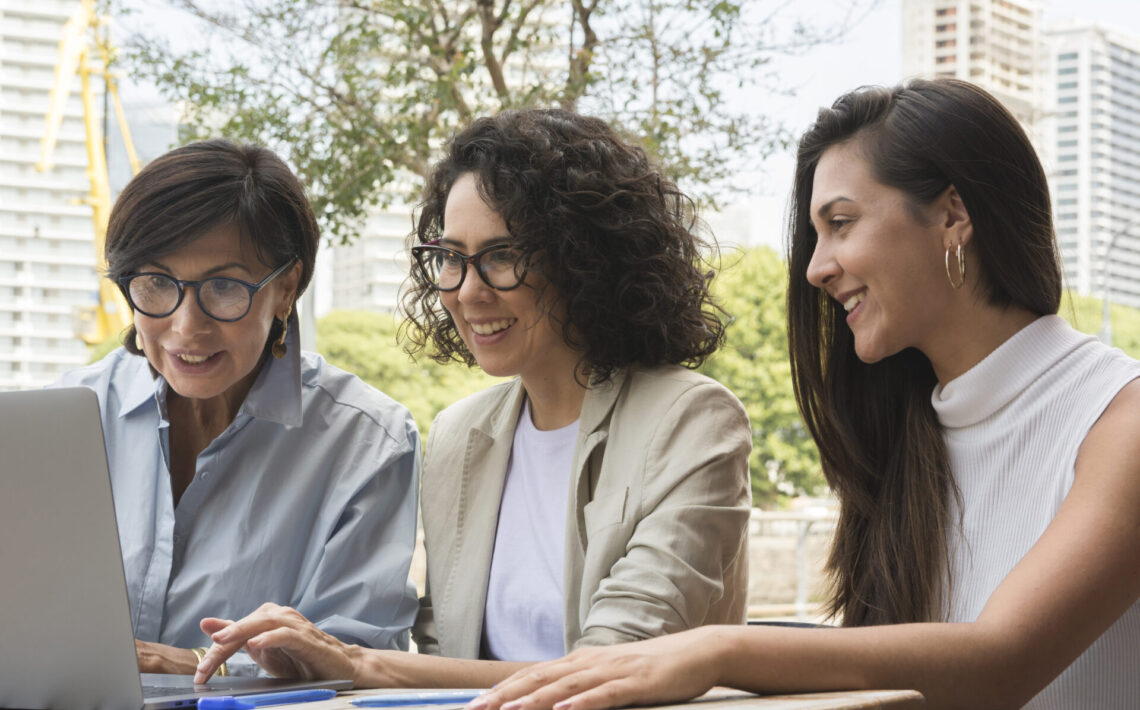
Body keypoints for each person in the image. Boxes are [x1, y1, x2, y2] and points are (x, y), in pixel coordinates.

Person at [460, 79, 1140, 710]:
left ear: (952, 216)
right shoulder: (903, 437)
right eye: (816, 234)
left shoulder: (1118, 419)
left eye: (840, 223)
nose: (816, 268)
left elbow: (1003, 661)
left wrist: (717, 648)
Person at [193, 108, 753, 687]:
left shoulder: (690, 420)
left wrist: (359, 663)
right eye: (452, 258)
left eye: (504, 255)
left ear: (586, 258)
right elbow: (444, 648)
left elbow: (614, 668)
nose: (468, 290)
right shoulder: (461, 433)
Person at [55, 139, 421, 676]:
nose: (186, 327)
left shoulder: (368, 443)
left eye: (224, 287)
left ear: (286, 287)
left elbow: (359, 662)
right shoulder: (70, 414)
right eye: (157, 283)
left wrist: (190, 664)